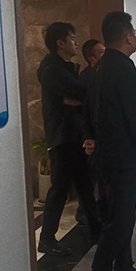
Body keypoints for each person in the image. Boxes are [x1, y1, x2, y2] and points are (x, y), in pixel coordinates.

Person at [81, 11, 136, 271]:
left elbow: (88, 108)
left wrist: (90, 137)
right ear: (128, 37)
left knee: (119, 215)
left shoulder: (99, 67)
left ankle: (125, 269)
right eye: (135, 33)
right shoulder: (124, 69)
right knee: (121, 219)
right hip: (122, 158)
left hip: (106, 155)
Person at [37, 23, 101, 256]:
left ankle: (96, 229)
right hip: (63, 137)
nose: (76, 42)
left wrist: (75, 100)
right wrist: (76, 98)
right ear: (60, 43)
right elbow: (82, 92)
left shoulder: (63, 68)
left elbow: (78, 96)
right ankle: (46, 238)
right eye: (72, 39)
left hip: (73, 135)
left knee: (84, 185)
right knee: (60, 188)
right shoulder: (52, 70)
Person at [74, 39, 105, 225]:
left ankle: (98, 210)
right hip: (89, 136)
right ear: (92, 58)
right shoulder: (85, 79)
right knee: (90, 177)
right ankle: (83, 213)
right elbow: (83, 111)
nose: (106, 55)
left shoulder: (103, 75)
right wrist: (87, 137)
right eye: (101, 52)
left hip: (100, 136)